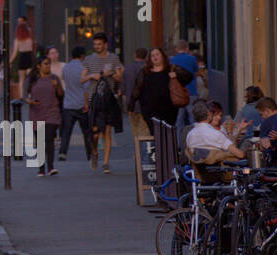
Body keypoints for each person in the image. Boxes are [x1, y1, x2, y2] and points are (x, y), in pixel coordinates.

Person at [82, 32, 123, 173]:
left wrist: (110, 73)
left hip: (108, 99)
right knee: (94, 131)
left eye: (99, 44)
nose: (97, 47)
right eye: (95, 44)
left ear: (105, 44)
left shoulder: (113, 58)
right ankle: (94, 152)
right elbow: (81, 79)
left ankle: (105, 163)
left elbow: (120, 77)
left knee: (107, 130)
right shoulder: (89, 59)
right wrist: (92, 75)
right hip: (93, 98)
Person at [129, 46, 193, 130]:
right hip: (150, 109)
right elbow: (137, 88)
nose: (155, 57)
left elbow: (189, 76)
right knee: (155, 133)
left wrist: (176, 76)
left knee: (168, 131)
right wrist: (131, 106)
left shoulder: (171, 69)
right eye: (152, 55)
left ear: (162, 56)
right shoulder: (145, 71)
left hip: (169, 109)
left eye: (157, 54)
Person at [25, 54, 64, 176]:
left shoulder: (54, 78)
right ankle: (41, 168)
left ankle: (51, 167)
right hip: (37, 113)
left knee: (49, 139)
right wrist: (29, 101)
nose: (48, 66)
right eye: (45, 64)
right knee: (40, 141)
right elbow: (24, 95)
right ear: (38, 66)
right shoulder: (32, 79)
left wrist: (56, 86)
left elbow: (61, 94)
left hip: (52, 112)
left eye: (49, 64)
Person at [58, 45, 92, 162]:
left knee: (66, 131)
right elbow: (86, 88)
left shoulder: (65, 68)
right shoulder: (84, 68)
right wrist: (86, 104)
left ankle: (62, 152)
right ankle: (90, 154)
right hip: (81, 104)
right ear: (82, 56)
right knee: (87, 132)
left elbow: (65, 82)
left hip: (68, 104)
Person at [10, 20, 35, 102]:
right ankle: (30, 95)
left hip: (21, 58)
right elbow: (33, 49)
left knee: (21, 79)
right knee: (30, 78)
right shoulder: (30, 39)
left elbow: (15, 53)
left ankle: (21, 97)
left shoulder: (17, 40)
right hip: (29, 58)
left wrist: (9, 62)